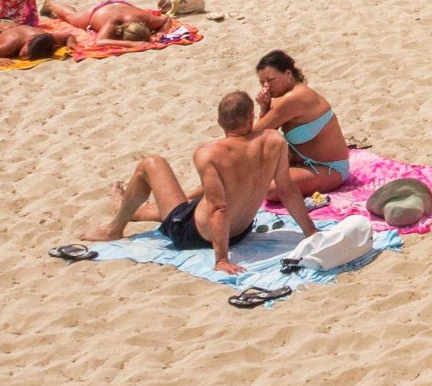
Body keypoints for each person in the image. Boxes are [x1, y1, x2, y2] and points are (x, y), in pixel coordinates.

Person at [82, 90, 315, 275]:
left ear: (219, 121)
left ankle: (114, 229)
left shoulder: (209, 153)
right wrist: (310, 231)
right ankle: (133, 210)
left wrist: (221, 259)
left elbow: (218, 207)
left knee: (151, 164)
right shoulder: (275, 141)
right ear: (250, 117)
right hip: (240, 232)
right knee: (185, 206)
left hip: (193, 234)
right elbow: (287, 190)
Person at [252, 49, 350, 197]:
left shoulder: (294, 98)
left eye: (271, 80)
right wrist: (264, 107)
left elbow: (256, 132)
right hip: (301, 163)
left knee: (270, 190)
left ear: (288, 74)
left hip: (329, 169)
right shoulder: (283, 97)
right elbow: (265, 134)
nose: (266, 87)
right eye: (262, 83)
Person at [43, 0, 173, 44]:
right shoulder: (112, 23)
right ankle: (51, 4)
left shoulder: (144, 18)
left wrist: (162, 32)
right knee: (70, 17)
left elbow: (166, 19)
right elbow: (99, 41)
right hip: (97, 11)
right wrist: (131, 43)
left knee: (117, 1)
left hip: (120, 5)